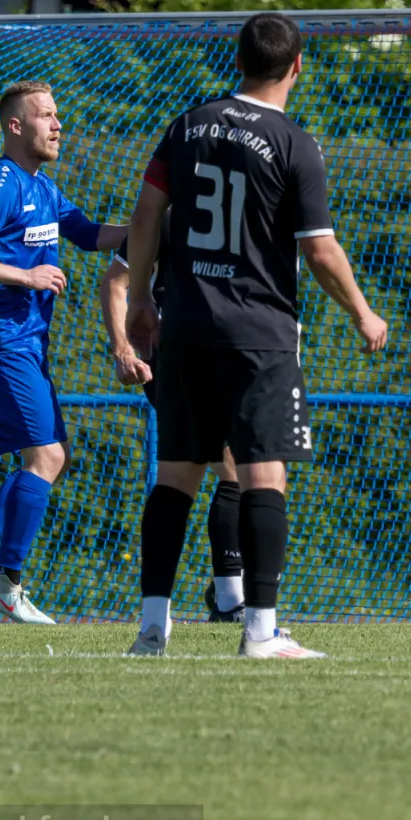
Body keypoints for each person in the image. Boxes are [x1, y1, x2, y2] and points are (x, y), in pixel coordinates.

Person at [123, 12, 389, 659]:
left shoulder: (186, 125)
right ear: (297, 66)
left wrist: (140, 298)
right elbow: (320, 249)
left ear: (237, 60)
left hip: (185, 325)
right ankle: (260, 631)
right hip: (259, 332)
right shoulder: (294, 142)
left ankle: (152, 629)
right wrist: (362, 312)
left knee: (175, 477)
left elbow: (147, 212)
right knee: (263, 476)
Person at [0, 81, 127, 624]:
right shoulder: (0, 184)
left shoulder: (41, 187)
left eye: (57, 115)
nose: (57, 124)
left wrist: (156, 226)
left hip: (23, 343)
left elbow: (89, 234)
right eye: (46, 115)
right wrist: (27, 275)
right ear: (15, 126)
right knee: (46, 457)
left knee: (51, 455)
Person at [101, 223, 249, 635]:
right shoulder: (165, 218)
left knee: (232, 470)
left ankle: (224, 594)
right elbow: (115, 282)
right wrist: (122, 349)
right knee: (224, 469)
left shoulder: (242, 215)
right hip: (172, 355)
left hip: (220, 354)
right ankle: (227, 599)